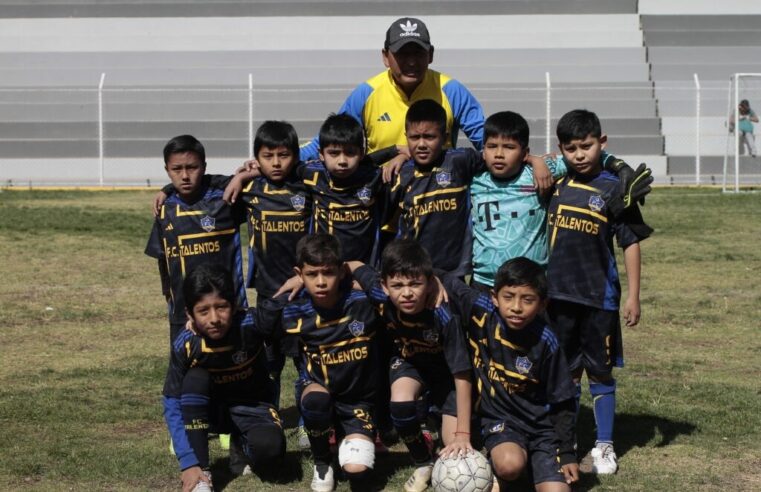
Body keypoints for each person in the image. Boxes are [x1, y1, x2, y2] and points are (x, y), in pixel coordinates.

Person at [546, 109, 652, 475]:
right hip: (557, 298)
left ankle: (604, 444)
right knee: (568, 373)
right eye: (571, 148)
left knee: (601, 373)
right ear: (561, 149)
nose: (579, 154)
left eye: (586, 146)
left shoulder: (615, 188)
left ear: (601, 143)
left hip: (598, 299)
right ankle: (568, 440)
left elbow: (630, 243)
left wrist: (633, 295)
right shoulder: (556, 185)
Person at [470, 111, 651, 292]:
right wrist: (536, 160)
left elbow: (585, 153)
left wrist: (620, 167)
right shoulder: (472, 178)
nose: (499, 154)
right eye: (492, 146)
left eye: (509, 147)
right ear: (483, 152)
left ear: (525, 153)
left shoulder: (541, 172)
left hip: (531, 281)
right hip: (483, 281)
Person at [440, 258, 579, 492]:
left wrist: (566, 453)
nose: (516, 307)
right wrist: (434, 282)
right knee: (509, 465)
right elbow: (449, 280)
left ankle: (534, 467)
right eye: (508, 297)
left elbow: (563, 399)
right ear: (494, 297)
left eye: (528, 300)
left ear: (543, 304)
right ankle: (506, 472)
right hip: (501, 421)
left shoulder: (547, 342)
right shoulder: (480, 310)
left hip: (541, 429)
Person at [347, 239, 473, 492]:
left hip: (447, 376)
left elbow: (462, 374)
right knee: (401, 402)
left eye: (416, 284)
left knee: (453, 447)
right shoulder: (378, 292)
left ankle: (450, 430)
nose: (406, 293)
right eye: (397, 285)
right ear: (384, 285)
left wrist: (463, 434)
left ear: (428, 282)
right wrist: (298, 280)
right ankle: (422, 461)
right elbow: (352, 264)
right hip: (410, 363)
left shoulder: (443, 314)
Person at [162, 264, 285, 492]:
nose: (214, 318)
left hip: (253, 407)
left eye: (221, 307)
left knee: (271, 450)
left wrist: (296, 282)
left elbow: (288, 305)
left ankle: (242, 445)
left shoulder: (252, 323)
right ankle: (201, 472)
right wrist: (187, 462)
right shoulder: (186, 343)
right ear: (189, 314)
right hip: (210, 411)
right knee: (195, 378)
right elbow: (171, 401)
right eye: (203, 311)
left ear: (235, 305)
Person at [299, 17, 485, 163]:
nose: (411, 62)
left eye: (418, 53)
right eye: (402, 54)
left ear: (431, 55)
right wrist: (285, 154)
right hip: (382, 196)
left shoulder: (451, 90)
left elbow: (487, 142)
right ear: (385, 57)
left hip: (437, 195)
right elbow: (331, 139)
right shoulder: (366, 93)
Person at [281, 234, 384, 491]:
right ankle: (322, 462)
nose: (321, 281)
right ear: (299, 274)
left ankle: (345, 438)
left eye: (328, 273)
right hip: (318, 387)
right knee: (316, 401)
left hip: (357, 400)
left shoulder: (362, 303)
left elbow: (386, 291)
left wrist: (356, 265)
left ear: (341, 271)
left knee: (357, 471)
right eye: (311, 274)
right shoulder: (293, 309)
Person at [144, 135, 248, 344]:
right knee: (185, 372)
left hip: (227, 310)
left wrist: (244, 175)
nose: (185, 176)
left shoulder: (225, 198)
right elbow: (162, 257)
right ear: (167, 170)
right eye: (177, 169)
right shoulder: (165, 209)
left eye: (192, 167)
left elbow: (265, 180)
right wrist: (168, 293)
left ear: (204, 167)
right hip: (182, 313)